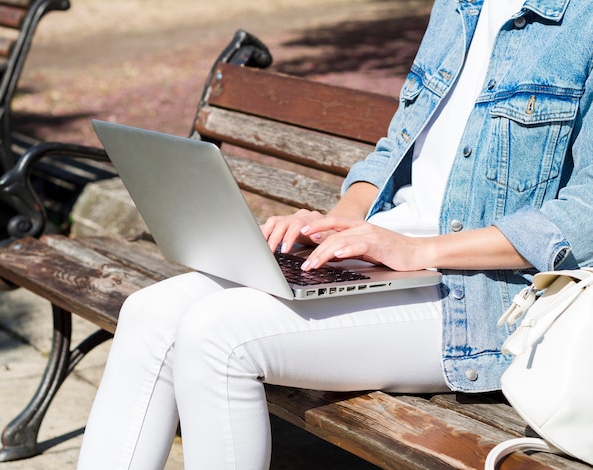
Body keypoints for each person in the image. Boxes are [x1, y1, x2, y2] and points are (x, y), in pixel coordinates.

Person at [77, 0, 593, 468]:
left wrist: (417, 250)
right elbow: (398, 144)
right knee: (148, 313)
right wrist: (342, 220)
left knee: (218, 337)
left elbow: (584, 215)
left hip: (491, 300)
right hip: (392, 254)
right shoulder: (461, 7)